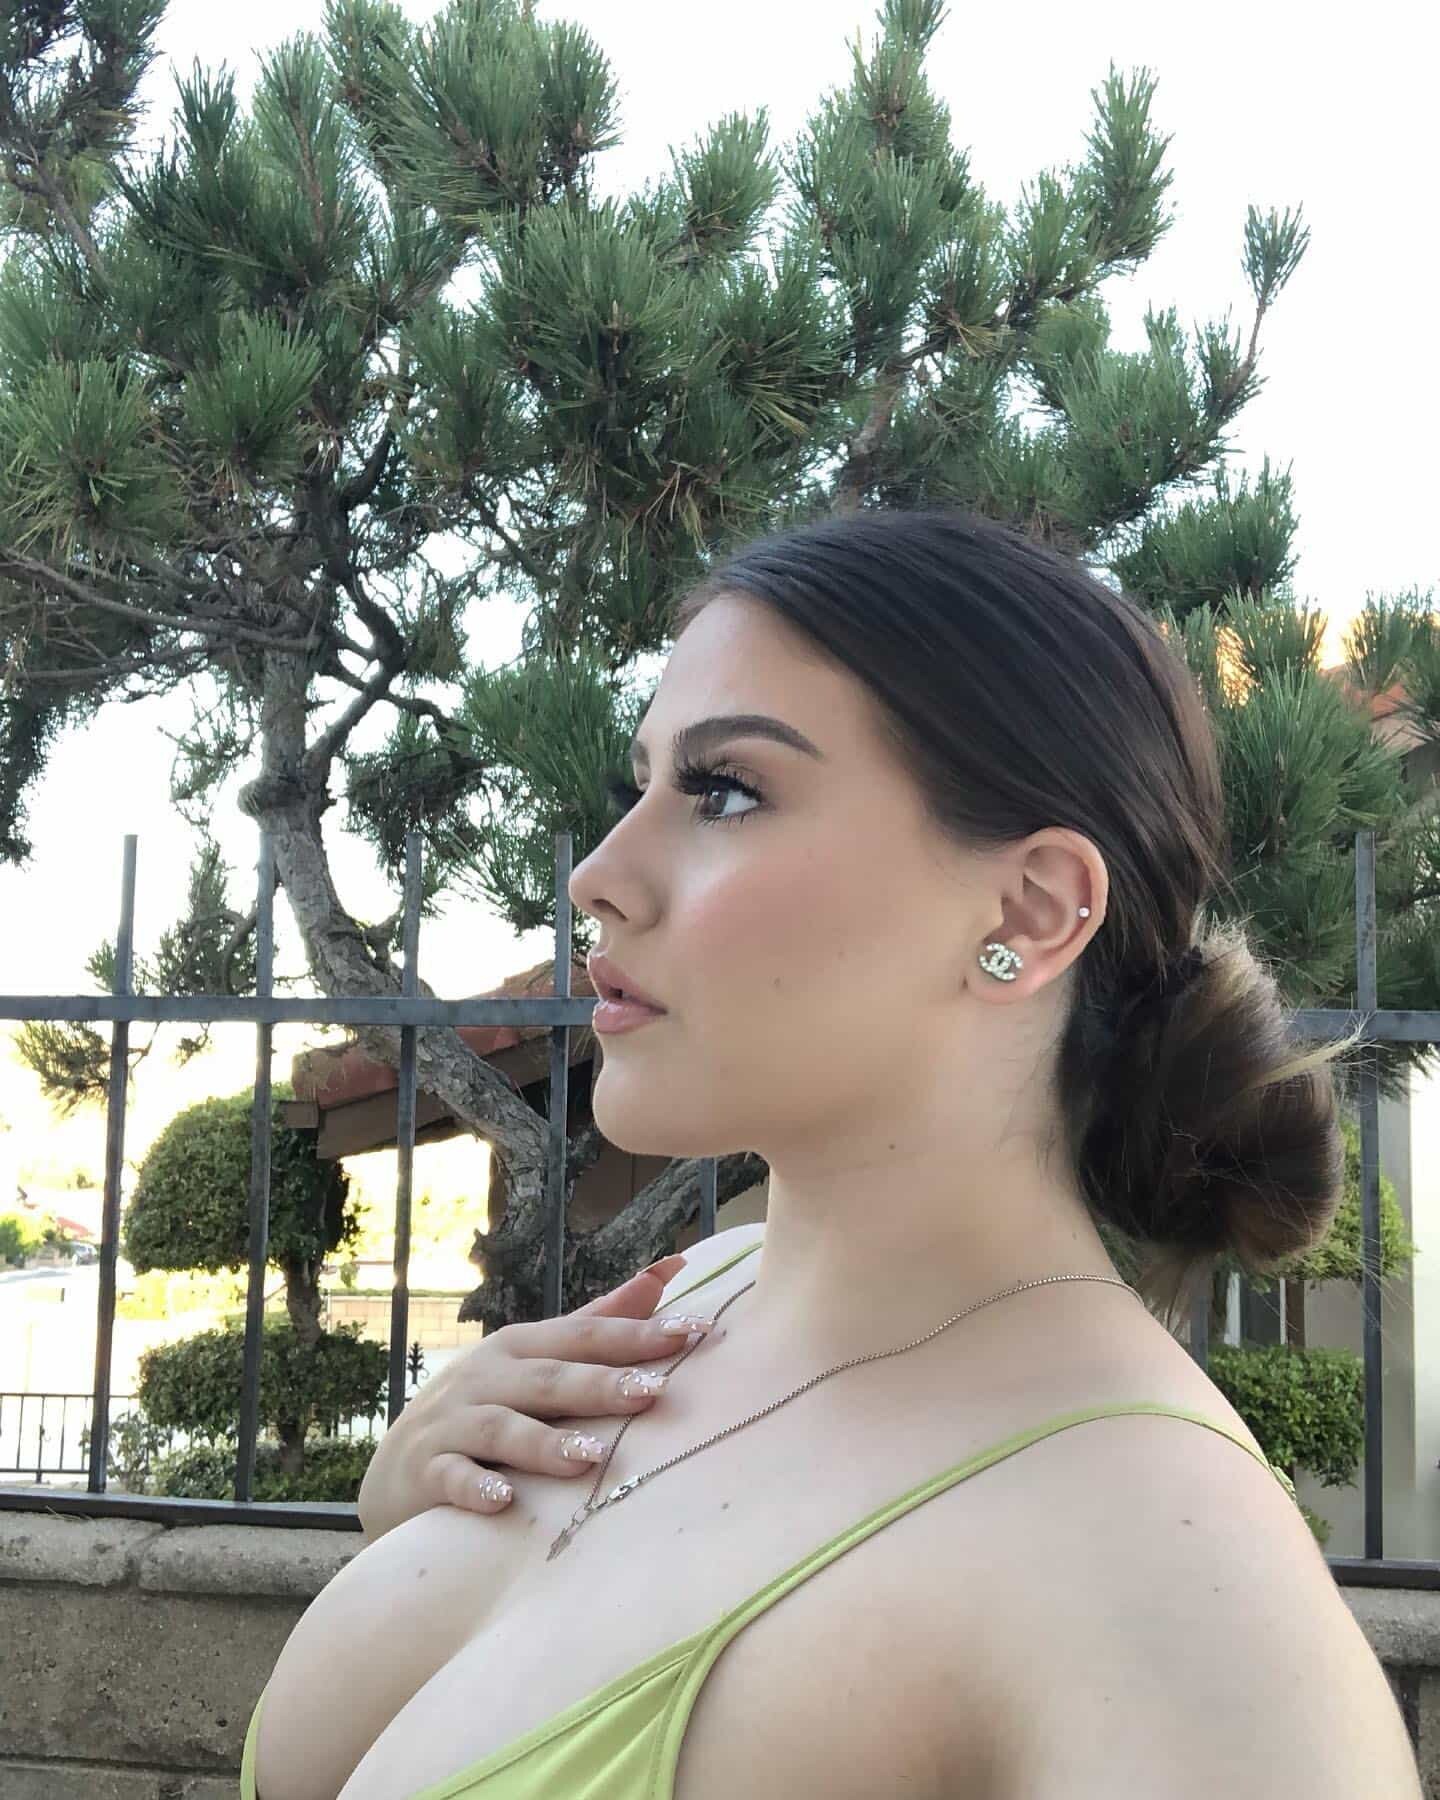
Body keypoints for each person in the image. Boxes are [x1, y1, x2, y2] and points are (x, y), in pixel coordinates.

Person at [243, 508, 1422, 1799]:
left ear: (1029, 911)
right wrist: (406, 1497)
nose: (598, 875)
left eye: (725, 792)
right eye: (642, 785)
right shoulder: (681, 1311)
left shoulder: (1177, 1591)